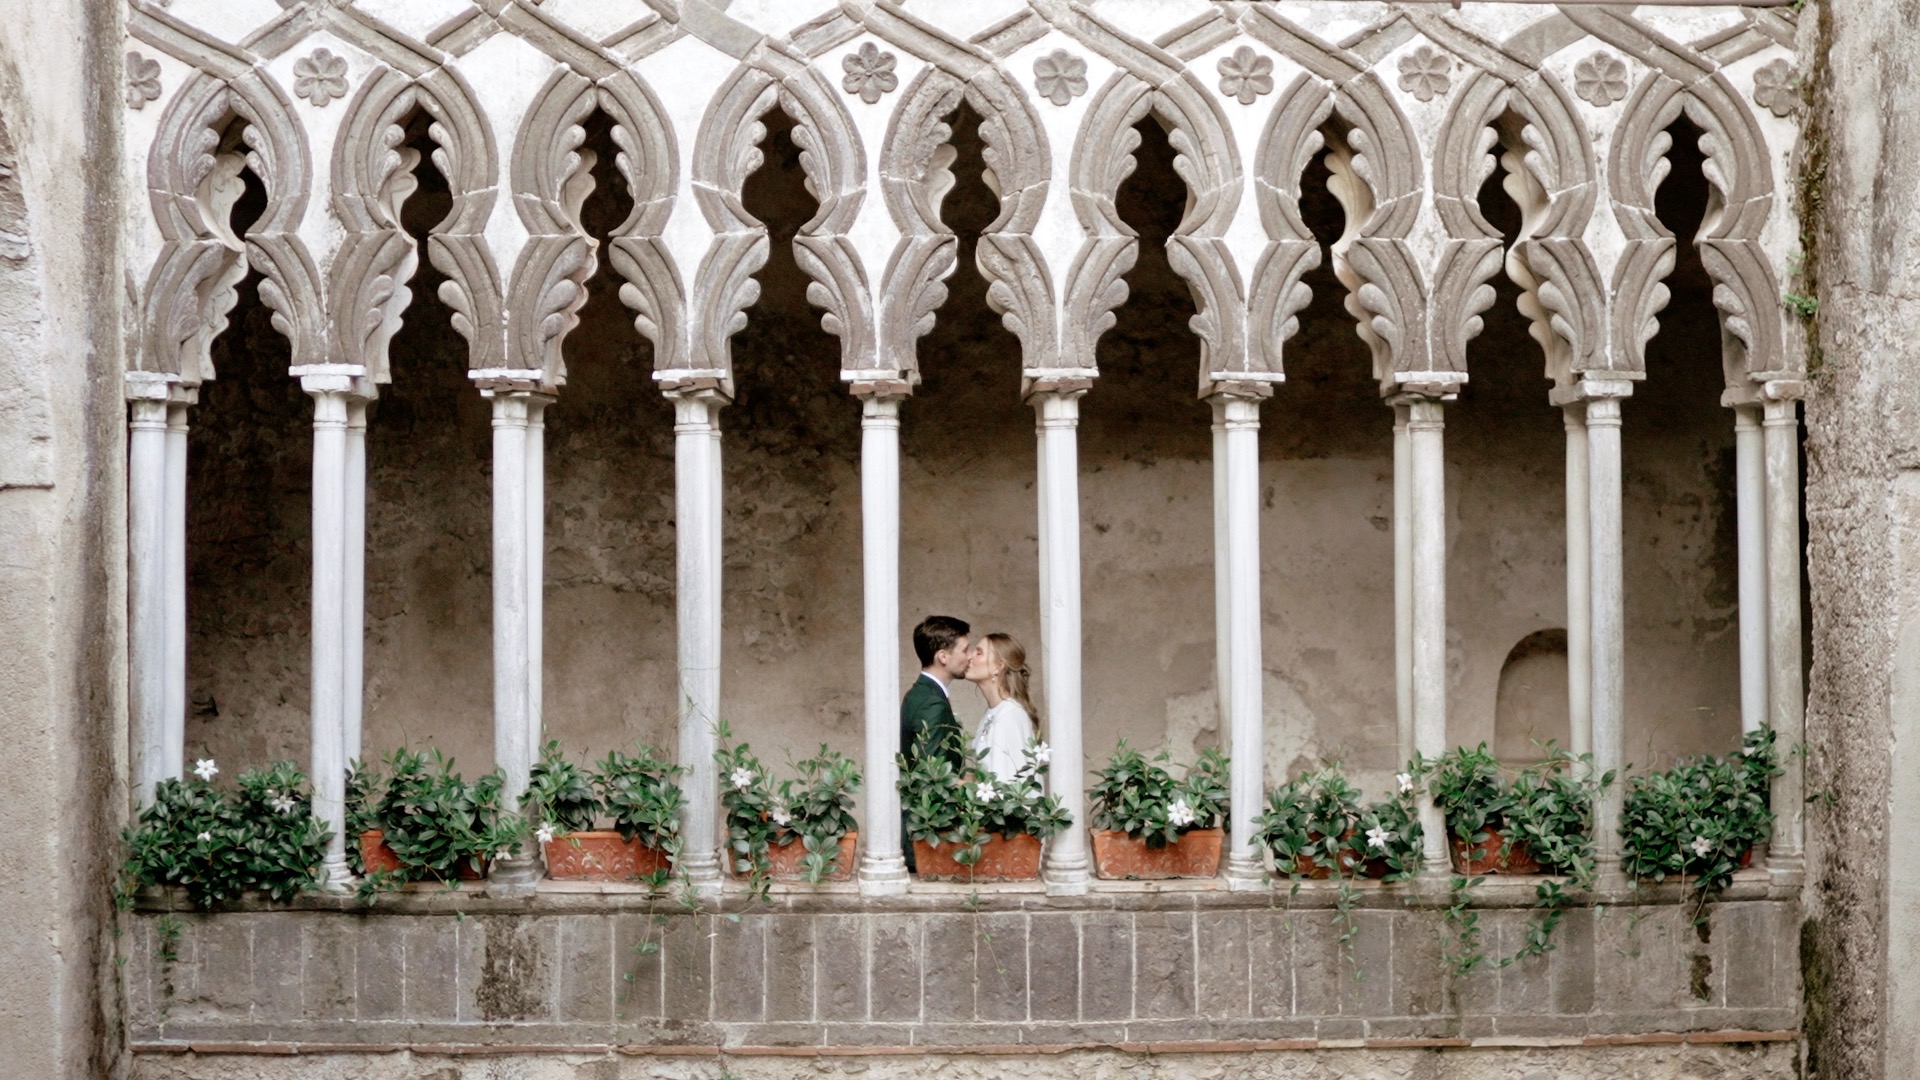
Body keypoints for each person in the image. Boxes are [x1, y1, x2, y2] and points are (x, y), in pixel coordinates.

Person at [901, 615, 970, 872]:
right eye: (965, 649)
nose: (970, 656)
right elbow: (933, 774)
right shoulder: (931, 702)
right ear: (943, 656)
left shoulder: (923, 694)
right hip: (927, 841)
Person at [965, 633, 1039, 782]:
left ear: (997, 667)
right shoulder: (994, 712)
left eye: (979, 653)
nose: (970, 657)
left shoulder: (1008, 717)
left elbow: (1005, 786)